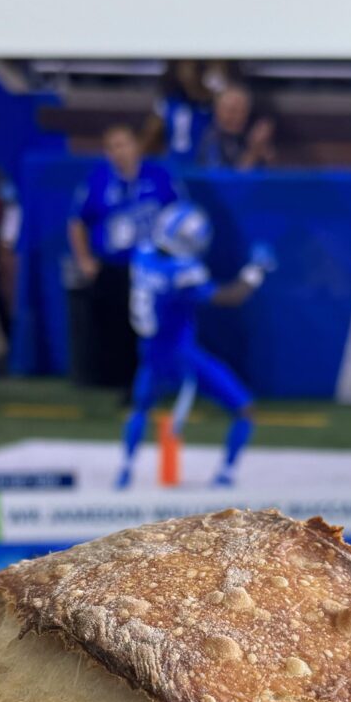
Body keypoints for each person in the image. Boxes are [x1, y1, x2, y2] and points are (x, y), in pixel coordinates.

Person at [116, 201, 274, 490]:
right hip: (181, 354)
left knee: (140, 408)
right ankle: (225, 476)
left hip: (151, 352)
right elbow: (230, 298)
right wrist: (255, 273)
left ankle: (124, 472)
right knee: (245, 409)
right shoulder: (184, 270)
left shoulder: (143, 255)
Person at [67, 124, 179, 395]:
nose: (120, 151)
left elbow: (178, 217)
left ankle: (157, 382)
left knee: (151, 327)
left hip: (150, 267)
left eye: (124, 144)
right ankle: (123, 384)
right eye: (113, 146)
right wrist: (84, 259)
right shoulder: (98, 181)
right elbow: (77, 221)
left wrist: (172, 259)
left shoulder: (160, 177)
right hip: (114, 267)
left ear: (137, 145)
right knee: (117, 328)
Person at [142, 60, 213, 163]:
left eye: (191, 68)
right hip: (174, 165)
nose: (187, 74)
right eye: (183, 68)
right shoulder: (168, 102)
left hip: (203, 166)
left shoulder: (211, 103)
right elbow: (150, 134)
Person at [196, 85, 275, 171]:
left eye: (243, 111)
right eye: (232, 111)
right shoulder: (212, 139)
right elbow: (224, 181)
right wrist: (254, 151)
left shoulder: (246, 136)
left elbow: (273, 176)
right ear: (217, 111)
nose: (238, 117)